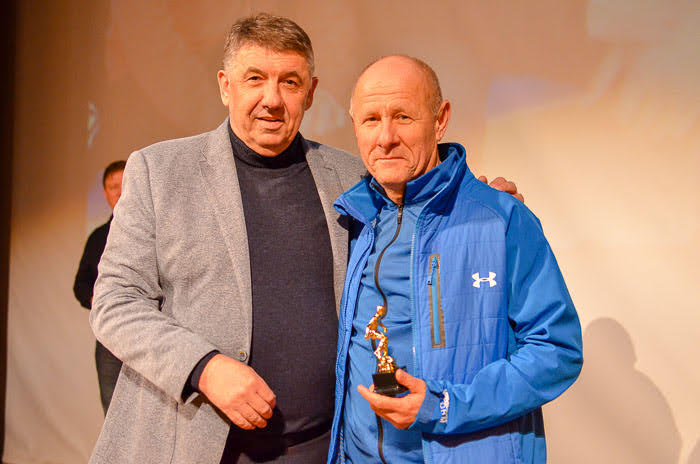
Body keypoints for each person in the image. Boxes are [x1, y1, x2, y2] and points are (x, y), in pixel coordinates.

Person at [89, 14, 522, 464]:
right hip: (195, 444)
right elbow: (116, 302)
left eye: (289, 82)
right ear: (225, 85)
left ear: (311, 92)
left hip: (323, 446)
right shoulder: (160, 171)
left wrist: (484, 207)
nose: (271, 100)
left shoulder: (352, 177)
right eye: (254, 78)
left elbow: (421, 221)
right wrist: (205, 368)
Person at [327, 55, 583, 464]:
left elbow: (557, 350)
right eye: (371, 120)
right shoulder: (353, 217)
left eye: (403, 117)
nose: (386, 137)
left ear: (440, 118)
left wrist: (445, 406)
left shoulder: (501, 218)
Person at [73, 160, 125, 414]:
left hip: (154, 336)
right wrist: (95, 298)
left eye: (124, 184)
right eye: (113, 186)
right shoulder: (98, 237)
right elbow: (81, 284)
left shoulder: (157, 230)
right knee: (113, 412)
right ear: (105, 193)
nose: (119, 192)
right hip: (109, 340)